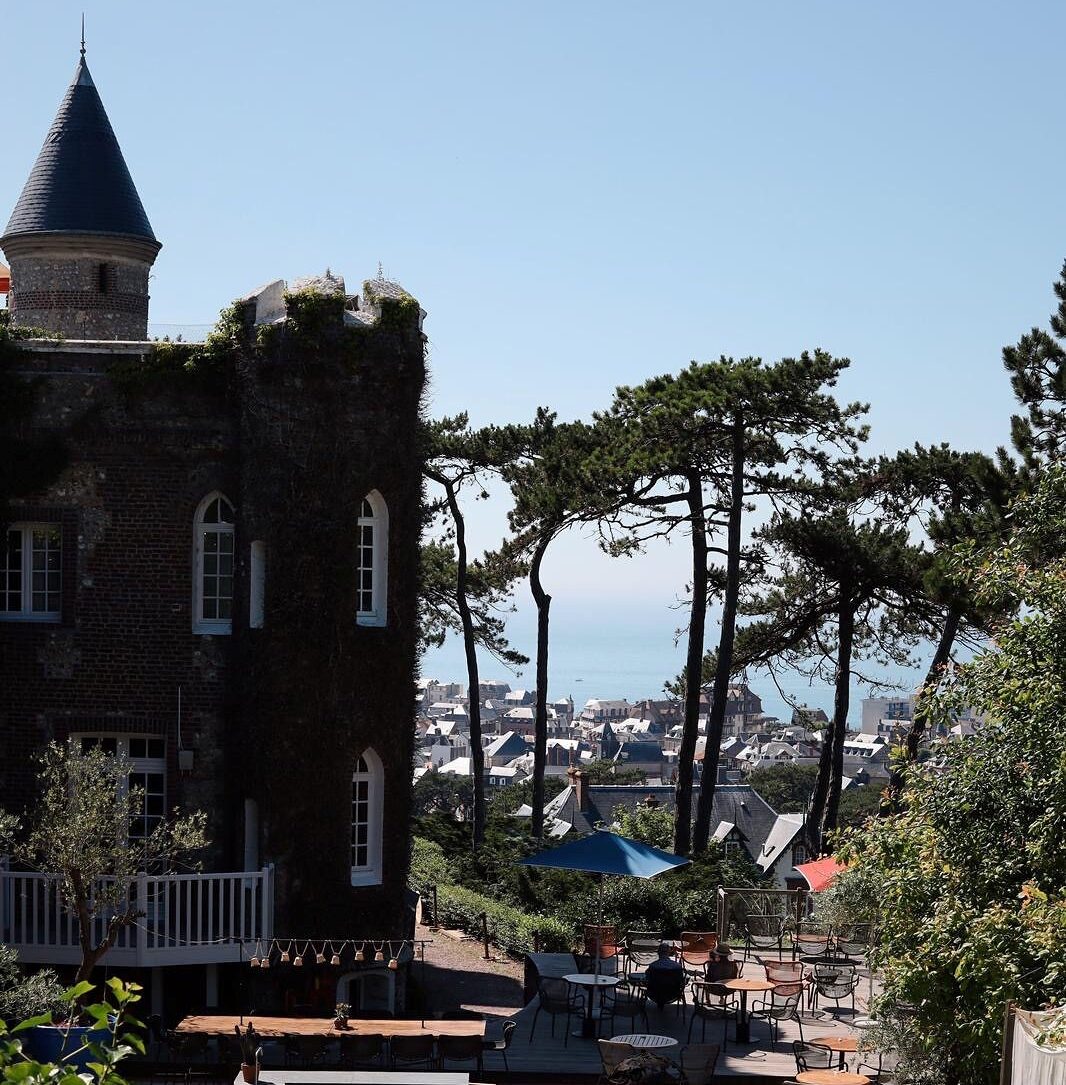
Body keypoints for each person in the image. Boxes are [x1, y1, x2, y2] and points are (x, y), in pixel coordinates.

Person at [644, 942, 686, 1010]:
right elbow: (681, 981)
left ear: (658, 952)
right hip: (673, 994)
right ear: (669, 952)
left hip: (655, 995)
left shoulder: (653, 966)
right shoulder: (677, 966)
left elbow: (647, 979)